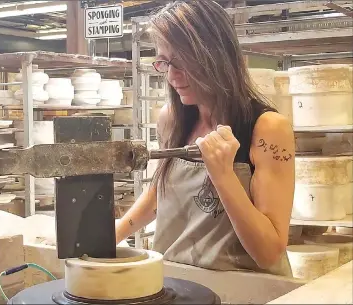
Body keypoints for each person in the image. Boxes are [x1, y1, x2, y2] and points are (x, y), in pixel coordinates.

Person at [116, 0, 295, 276]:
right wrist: (109, 237)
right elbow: (159, 193)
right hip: (179, 281)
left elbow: (269, 252)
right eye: (165, 62)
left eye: (184, 62)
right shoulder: (172, 119)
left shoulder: (268, 129)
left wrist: (223, 176)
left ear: (217, 56)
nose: (173, 76)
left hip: (245, 291)